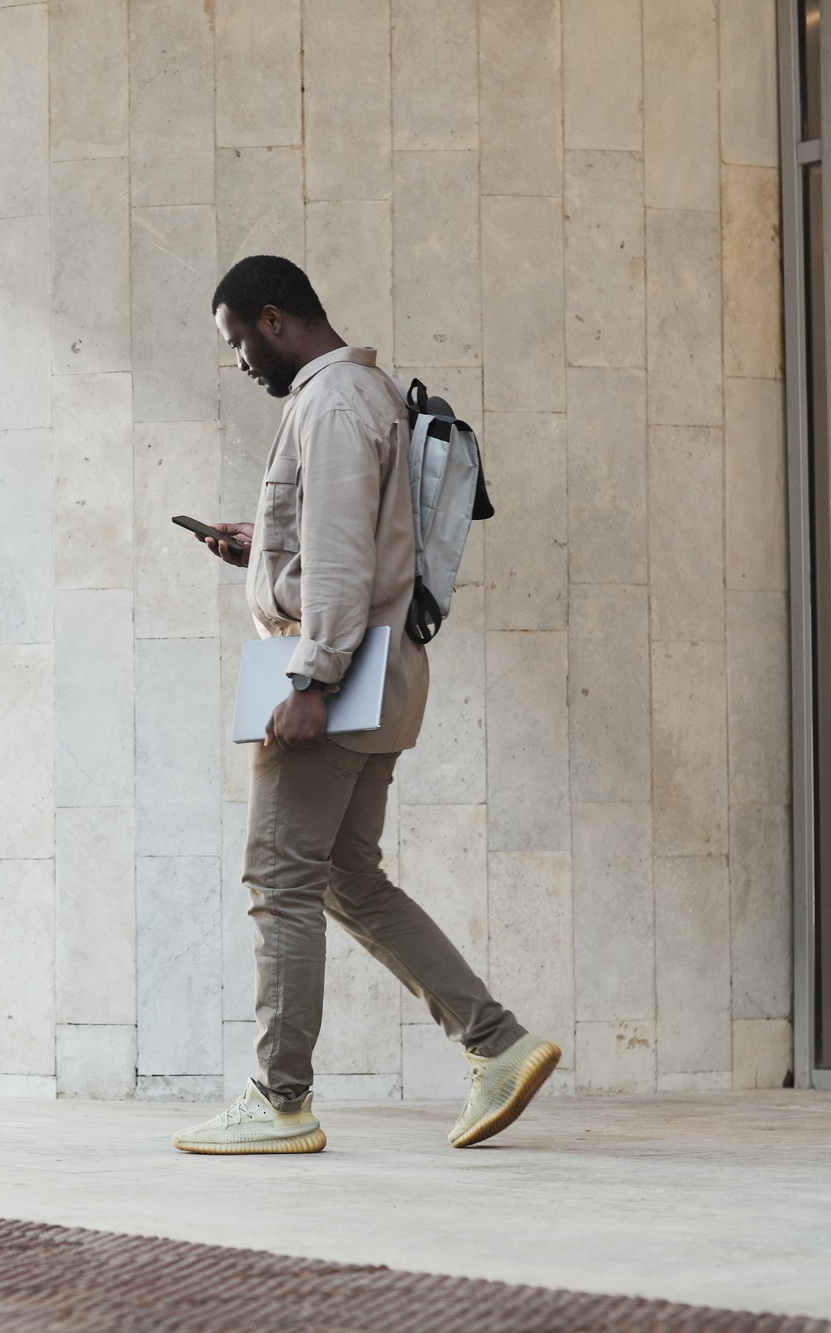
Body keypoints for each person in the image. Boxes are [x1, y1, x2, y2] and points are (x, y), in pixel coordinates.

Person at [174, 255, 559, 1155]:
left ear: (275, 319)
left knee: (280, 880)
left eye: (238, 342)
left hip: (337, 678)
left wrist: (309, 682)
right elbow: (346, 542)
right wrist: (261, 549)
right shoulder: (367, 394)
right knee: (347, 876)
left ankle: (280, 1098)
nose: (240, 363)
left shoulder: (332, 401)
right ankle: (497, 1043)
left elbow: (346, 563)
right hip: (374, 668)